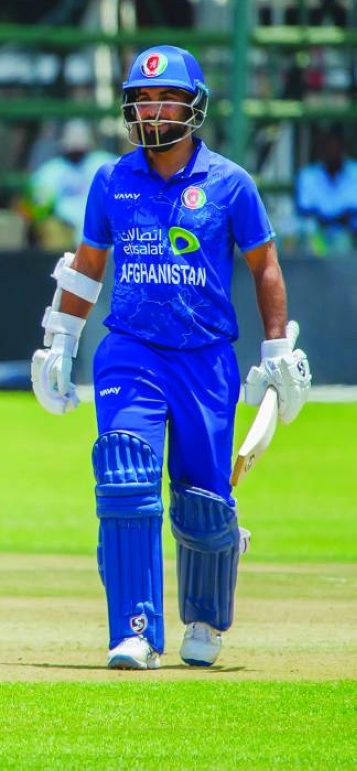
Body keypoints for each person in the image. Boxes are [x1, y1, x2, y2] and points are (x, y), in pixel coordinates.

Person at [29, 45, 311, 670]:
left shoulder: (230, 183)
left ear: (193, 107)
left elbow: (264, 265)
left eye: (167, 99)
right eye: (144, 99)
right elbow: (87, 267)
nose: (154, 109)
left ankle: (207, 617)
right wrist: (62, 342)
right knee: (125, 476)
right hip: (129, 348)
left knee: (204, 501)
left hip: (206, 356)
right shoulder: (111, 179)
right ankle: (134, 630)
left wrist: (276, 351)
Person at [25, 119, 117, 250]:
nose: (76, 150)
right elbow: (37, 207)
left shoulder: (105, 163)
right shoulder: (50, 170)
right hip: (66, 228)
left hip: (102, 226)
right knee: (51, 228)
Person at [294, 124, 357, 255]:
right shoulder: (307, 175)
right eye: (328, 146)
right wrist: (330, 220)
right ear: (321, 150)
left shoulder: (354, 172)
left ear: (343, 147)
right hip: (316, 236)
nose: (332, 151)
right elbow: (305, 210)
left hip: (351, 235)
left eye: (336, 146)